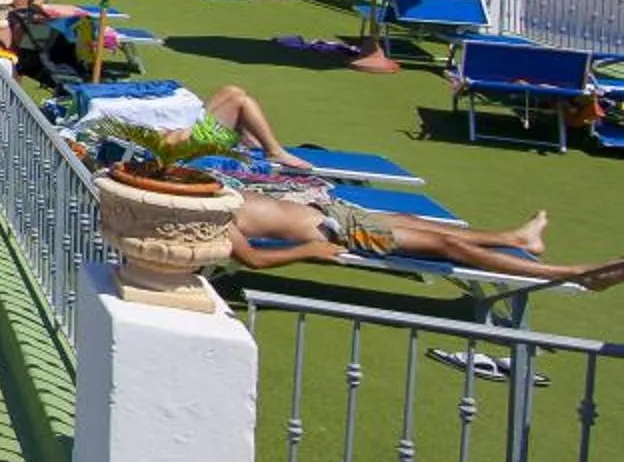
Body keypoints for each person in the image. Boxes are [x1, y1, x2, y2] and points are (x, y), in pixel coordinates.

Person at [226, 191, 624, 289]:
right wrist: (310, 250)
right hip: (339, 231)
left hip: (328, 209)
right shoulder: (202, 216)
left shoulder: (196, 190)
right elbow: (253, 260)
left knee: (419, 223)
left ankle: (517, 237)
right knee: (447, 247)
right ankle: (575, 273)